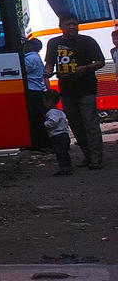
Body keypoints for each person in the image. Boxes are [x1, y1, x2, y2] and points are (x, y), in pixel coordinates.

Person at [43, 12, 105, 169]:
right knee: (76, 126)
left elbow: (100, 62)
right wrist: (48, 72)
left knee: (90, 124)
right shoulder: (53, 43)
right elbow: (49, 63)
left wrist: (86, 68)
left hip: (87, 89)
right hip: (66, 91)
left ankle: (96, 158)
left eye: (74, 24)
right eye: (68, 24)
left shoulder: (87, 41)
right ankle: (87, 155)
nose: (72, 27)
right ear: (60, 27)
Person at [23, 37, 50, 148]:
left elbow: (22, 71)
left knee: (35, 119)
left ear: (31, 46)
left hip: (32, 90)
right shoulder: (36, 57)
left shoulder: (29, 59)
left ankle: (40, 143)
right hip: (38, 89)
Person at [43, 89, 73, 176]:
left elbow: (53, 122)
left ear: (50, 101)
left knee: (60, 153)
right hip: (64, 135)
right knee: (64, 153)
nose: (43, 104)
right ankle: (67, 167)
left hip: (58, 136)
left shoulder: (52, 112)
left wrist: (44, 124)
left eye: (44, 101)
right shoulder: (59, 111)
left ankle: (64, 168)